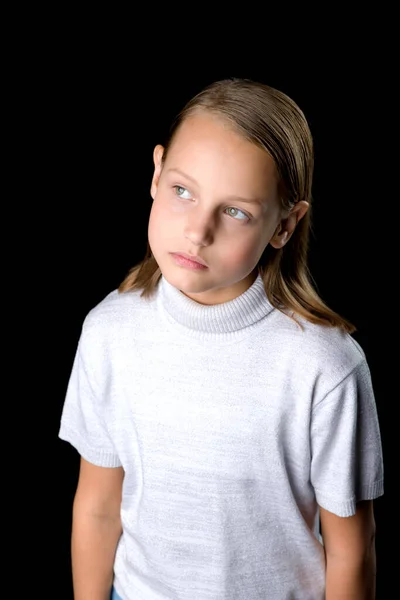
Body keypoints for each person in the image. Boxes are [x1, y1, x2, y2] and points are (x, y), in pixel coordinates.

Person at [59, 78, 384, 600]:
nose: (197, 231)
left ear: (285, 225)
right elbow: (97, 507)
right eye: (182, 191)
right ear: (157, 172)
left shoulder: (324, 367)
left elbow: (351, 549)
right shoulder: (109, 333)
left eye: (235, 211)